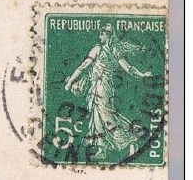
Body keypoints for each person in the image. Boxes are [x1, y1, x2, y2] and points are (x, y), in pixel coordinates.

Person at [64, 23, 153, 159]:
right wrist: (142, 74)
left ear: (108, 35)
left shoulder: (98, 49)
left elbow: (84, 66)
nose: (100, 35)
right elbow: (129, 68)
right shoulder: (115, 51)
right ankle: (102, 149)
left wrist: (71, 81)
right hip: (100, 87)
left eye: (103, 33)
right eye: (101, 32)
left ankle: (130, 141)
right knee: (96, 117)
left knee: (107, 118)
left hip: (101, 87)